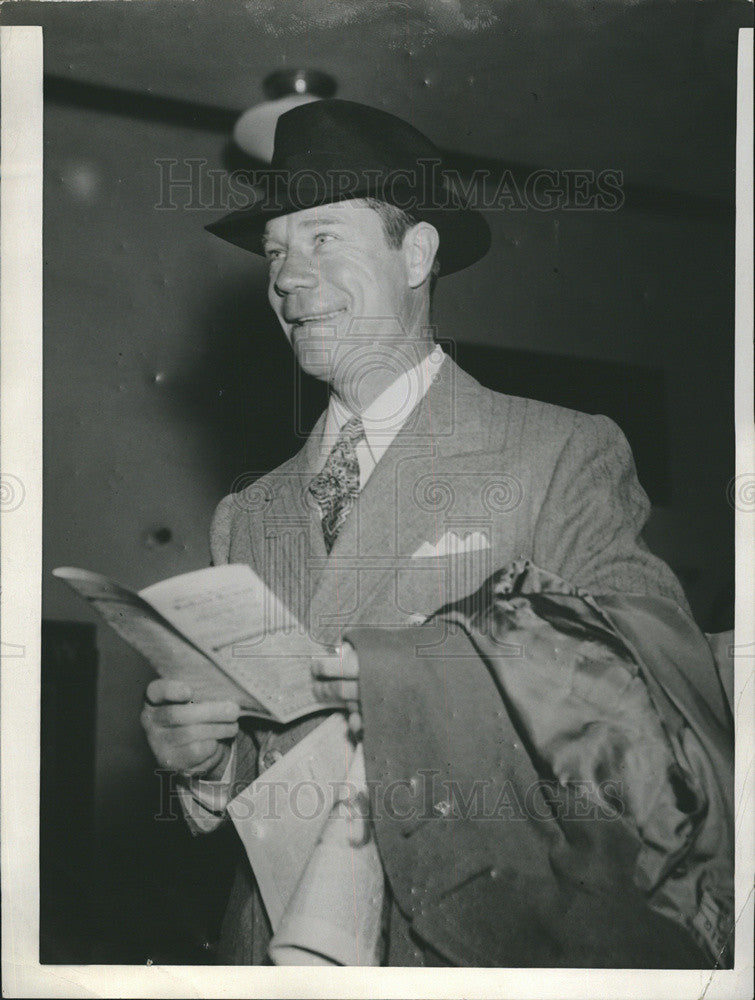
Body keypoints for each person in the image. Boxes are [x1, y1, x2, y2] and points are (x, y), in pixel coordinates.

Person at [141, 100, 733, 967]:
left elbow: (662, 686)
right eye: (274, 251)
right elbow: (269, 762)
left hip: (466, 952)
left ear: (415, 252)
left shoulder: (559, 451)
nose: (286, 280)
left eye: (321, 239)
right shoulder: (247, 512)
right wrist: (198, 762)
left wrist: (419, 678)